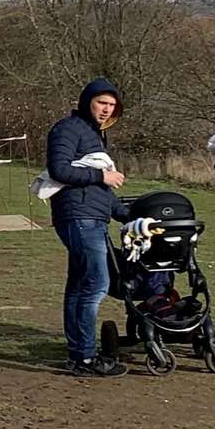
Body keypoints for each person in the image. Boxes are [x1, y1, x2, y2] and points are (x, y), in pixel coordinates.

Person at [46, 78, 130, 378]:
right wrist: (101, 176)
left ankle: (78, 353)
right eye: (101, 103)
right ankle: (84, 357)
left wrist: (127, 214)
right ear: (87, 102)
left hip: (91, 216)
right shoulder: (68, 129)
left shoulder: (94, 135)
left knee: (79, 286)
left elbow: (102, 191)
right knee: (95, 285)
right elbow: (60, 169)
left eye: (111, 105)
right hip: (78, 216)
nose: (107, 110)